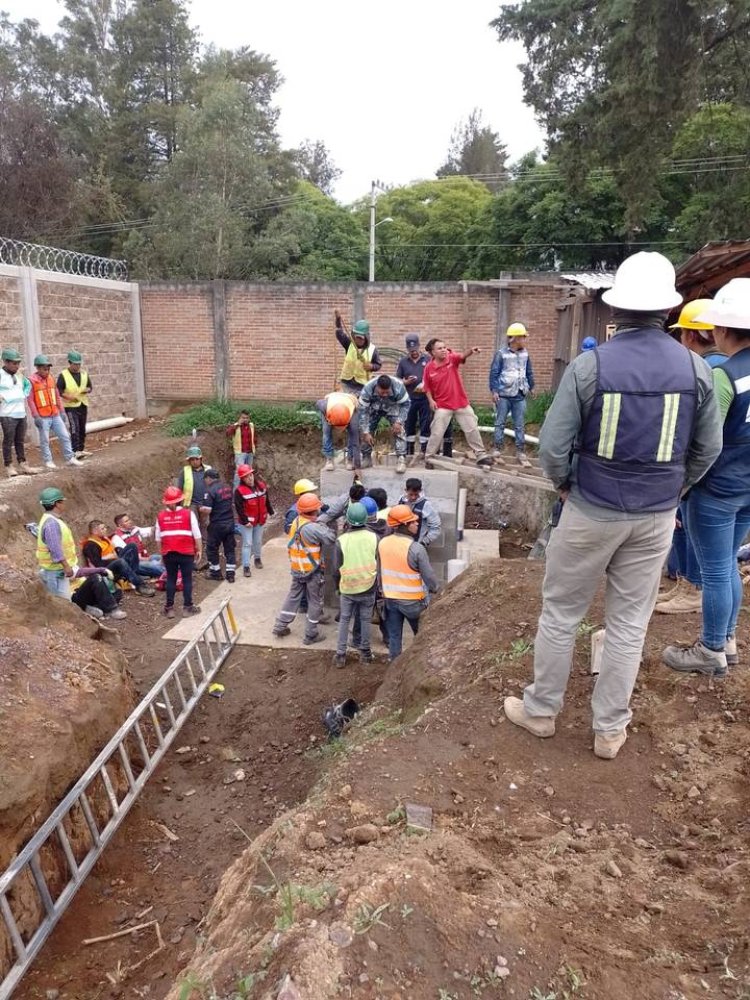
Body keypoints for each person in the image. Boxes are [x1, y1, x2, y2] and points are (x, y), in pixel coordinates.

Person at [502, 251, 721, 760]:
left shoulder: (590, 366)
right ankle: (609, 731)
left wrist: (564, 486)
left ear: (617, 309)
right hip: (655, 518)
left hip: (591, 509)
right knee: (628, 623)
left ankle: (541, 713)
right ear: (669, 310)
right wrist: (676, 489)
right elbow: (706, 449)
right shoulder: (696, 370)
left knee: (560, 613)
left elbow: (554, 447)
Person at [662, 279, 750, 678]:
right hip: (747, 486)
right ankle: (727, 640)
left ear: (722, 329)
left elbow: (706, 441)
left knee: (714, 570)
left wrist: (684, 484)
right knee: (727, 564)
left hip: (718, 487)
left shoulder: (724, 376)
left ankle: (712, 649)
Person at [655, 300, 726, 615]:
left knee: (688, 524)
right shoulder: (730, 366)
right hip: (725, 469)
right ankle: (685, 582)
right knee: (684, 524)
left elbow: (699, 430)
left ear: (690, 335)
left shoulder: (706, 371)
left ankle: (693, 587)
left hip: (704, 468)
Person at [36, 486, 126, 619]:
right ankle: (94, 611)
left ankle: (91, 609)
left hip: (62, 572)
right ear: (56, 504)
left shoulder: (52, 521)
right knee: (66, 610)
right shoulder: (51, 524)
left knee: (113, 591)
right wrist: (66, 565)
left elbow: (76, 570)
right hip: (57, 574)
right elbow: (55, 548)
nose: (64, 504)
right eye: (62, 501)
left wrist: (100, 569)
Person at [273, 492, 336, 644]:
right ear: (315, 511)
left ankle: (280, 625)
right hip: (312, 572)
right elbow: (330, 538)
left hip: (297, 568)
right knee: (315, 601)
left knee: (293, 596)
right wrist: (323, 523)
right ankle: (311, 634)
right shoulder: (313, 528)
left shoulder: (296, 521)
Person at [378, 504, 439, 660]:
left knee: (394, 638)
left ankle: (394, 668)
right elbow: (430, 578)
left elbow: (379, 570)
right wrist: (437, 590)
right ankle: (421, 665)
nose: (417, 523)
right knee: (421, 637)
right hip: (413, 603)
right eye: (412, 522)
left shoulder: (383, 543)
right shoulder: (416, 548)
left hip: (390, 600)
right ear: (404, 525)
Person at [421, 341, 492, 468]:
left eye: (444, 347)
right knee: (437, 432)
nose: (443, 350)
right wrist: (431, 401)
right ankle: (429, 457)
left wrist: (470, 351)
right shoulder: (429, 368)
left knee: (472, 428)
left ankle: (480, 455)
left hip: (461, 403)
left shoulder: (451, 359)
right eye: (440, 348)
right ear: (433, 352)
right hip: (443, 406)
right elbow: (427, 388)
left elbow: (462, 356)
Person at [332, 502, 378, 668]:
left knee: (344, 620)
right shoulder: (374, 537)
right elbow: (377, 561)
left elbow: (336, 569)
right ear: (366, 518)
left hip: (348, 588)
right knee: (365, 620)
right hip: (368, 586)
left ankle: (340, 655)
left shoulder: (341, 541)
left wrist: (337, 587)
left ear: (347, 520)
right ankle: (365, 653)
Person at [489, 323, 535, 467]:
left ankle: (521, 452)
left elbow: (529, 371)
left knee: (520, 425)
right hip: (503, 394)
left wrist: (531, 387)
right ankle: (497, 450)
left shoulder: (525, 353)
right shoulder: (501, 354)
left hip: (520, 394)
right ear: (514, 338)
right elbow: (494, 373)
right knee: (500, 423)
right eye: (522, 337)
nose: (524, 340)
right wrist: (494, 390)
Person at [28, 355, 82, 470]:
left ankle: (70, 458)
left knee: (65, 436)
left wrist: (62, 411)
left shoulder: (51, 379)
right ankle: (48, 461)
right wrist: (36, 416)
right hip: (43, 417)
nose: (47, 371)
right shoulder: (32, 381)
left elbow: (57, 396)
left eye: (48, 369)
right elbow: (31, 400)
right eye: (44, 369)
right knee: (45, 440)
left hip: (55, 414)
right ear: (37, 368)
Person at [156, 485, 202, 619]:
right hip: (186, 552)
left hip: (169, 553)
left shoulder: (161, 516)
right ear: (180, 500)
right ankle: (188, 607)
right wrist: (199, 550)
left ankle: (169, 608)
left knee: (171, 579)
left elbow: (158, 538)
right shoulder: (189, 514)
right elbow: (197, 534)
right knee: (187, 579)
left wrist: (162, 554)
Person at [81, 520, 156, 596]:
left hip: (114, 561)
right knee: (120, 561)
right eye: (102, 529)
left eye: (105, 527)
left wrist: (114, 555)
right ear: (95, 531)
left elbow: (113, 551)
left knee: (132, 546)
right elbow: (98, 565)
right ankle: (139, 586)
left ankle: (135, 575)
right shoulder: (90, 545)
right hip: (105, 569)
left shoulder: (103, 539)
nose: (105, 530)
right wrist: (109, 558)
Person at [358, 374, 410, 473]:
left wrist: (399, 421)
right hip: (373, 409)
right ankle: (366, 458)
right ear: (377, 387)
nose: (385, 394)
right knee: (364, 431)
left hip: (392, 408)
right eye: (382, 392)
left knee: (400, 429)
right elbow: (363, 411)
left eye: (387, 392)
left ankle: (401, 459)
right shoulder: (367, 389)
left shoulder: (399, 387)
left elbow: (406, 405)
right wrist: (365, 431)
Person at [0, 347, 39, 477]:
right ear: (5, 362)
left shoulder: (19, 375)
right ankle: (9, 465)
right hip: (7, 415)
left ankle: (23, 464)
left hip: (20, 413)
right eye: (14, 363)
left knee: (19, 440)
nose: (17, 366)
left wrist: (24, 394)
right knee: (8, 440)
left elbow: (28, 385)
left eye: (18, 363)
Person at [234, 464, 273, 577]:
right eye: (246, 477)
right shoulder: (239, 491)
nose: (249, 478)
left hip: (260, 520)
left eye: (250, 475)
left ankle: (257, 559)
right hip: (247, 523)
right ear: (242, 479)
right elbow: (239, 508)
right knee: (247, 544)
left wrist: (270, 512)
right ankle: (246, 566)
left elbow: (267, 501)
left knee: (258, 541)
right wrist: (246, 521)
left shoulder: (261, 486)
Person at [397, 334, 432, 457]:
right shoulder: (403, 362)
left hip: (425, 398)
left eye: (415, 350)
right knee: (409, 423)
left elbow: (434, 376)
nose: (414, 352)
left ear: (419, 346)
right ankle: (409, 451)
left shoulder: (428, 359)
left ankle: (424, 450)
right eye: (411, 351)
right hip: (409, 398)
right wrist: (405, 382)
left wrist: (425, 384)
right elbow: (397, 381)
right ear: (407, 349)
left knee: (425, 423)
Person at [200, 468, 237, 582]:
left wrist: (200, 508)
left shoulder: (210, 490)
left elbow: (208, 510)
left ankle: (216, 572)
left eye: (205, 479)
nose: (205, 482)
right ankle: (230, 574)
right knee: (230, 549)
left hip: (217, 524)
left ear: (209, 478)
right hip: (230, 522)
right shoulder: (227, 487)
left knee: (211, 548)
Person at [335, 310, 382, 395]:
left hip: (362, 386)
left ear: (366, 337)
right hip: (346, 383)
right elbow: (339, 333)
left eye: (361, 338)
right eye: (356, 337)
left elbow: (378, 365)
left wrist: (371, 366)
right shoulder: (349, 344)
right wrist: (338, 320)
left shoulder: (372, 349)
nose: (358, 340)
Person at [57, 350, 92, 458]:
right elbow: (59, 390)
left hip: (82, 404)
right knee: (74, 428)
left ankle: (81, 449)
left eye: (79, 364)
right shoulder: (63, 375)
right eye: (75, 364)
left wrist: (87, 390)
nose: (77, 366)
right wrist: (68, 397)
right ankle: (75, 450)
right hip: (71, 407)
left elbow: (90, 387)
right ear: (69, 362)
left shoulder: (84, 374)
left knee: (82, 428)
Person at [316, 390, 361, 472]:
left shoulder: (353, 411)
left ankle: (350, 460)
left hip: (349, 402)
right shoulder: (324, 406)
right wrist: (326, 416)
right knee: (326, 432)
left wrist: (357, 466)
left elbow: (355, 440)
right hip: (331, 404)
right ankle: (329, 460)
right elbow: (318, 402)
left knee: (353, 433)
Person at [111, 513, 163, 579]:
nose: (130, 521)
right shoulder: (117, 538)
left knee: (160, 557)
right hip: (133, 564)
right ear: (120, 525)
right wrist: (146, 559)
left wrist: (159, 524)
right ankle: (172, 573)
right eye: (126, 521)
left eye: (129, 519)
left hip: (145, 558)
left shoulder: (134, 529)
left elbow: (150, 530)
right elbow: (128, 556)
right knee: (155, 564)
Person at [398, 477, 441, 547]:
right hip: (400, 543)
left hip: (416, 544)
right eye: (411, 494)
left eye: (416, 494)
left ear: (420, 491)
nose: (413, 497)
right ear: (406, 490)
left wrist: (423, 542)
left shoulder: (426, 505)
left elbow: (435, 527)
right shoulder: (401, 501)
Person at [226, 410, 256, 485]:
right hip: (240, 453)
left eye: (247, 418)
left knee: (249, 473)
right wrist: (237, 425)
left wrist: (254, 448)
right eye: (243, 417)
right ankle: (236, 492)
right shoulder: (236, 426)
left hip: (250, 453)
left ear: (249, 418)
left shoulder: (251, 425)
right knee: (239, 473)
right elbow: (228, 433)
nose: (245, 419)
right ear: (240, 418)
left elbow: (255, 438)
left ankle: (247, 491)